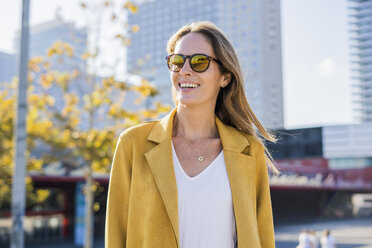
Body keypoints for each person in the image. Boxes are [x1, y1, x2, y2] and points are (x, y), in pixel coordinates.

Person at [105, 21, 278, 248]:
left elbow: (263, 238)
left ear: (225, 77)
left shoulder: (248, 150)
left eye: (199, 62)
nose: (184, 70)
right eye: (177, 62)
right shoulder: (133, 144)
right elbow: (116, 235)